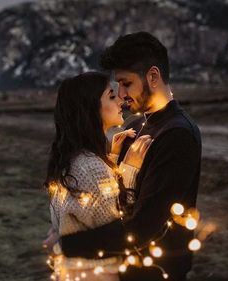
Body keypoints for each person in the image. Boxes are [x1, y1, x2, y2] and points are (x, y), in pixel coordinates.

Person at [61, 32, 202, 281]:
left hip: (157, 271)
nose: (122, 93)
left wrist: (71, 244)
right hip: (125, 266)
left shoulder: (178, 135)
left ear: (153, 76)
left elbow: (144, 226)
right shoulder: (136, 126)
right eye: (118, 85)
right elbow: (115, 198)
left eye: (127, 83)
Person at [44, 71, 153, 281]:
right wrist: (130, 168)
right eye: (111, 96)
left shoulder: (74, 159)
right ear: (90, 109)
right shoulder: (91, 167)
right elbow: (120, 224)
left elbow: (92, 207)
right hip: (96, 274)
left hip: (72, 271)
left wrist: (111, 158)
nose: (121, 99)